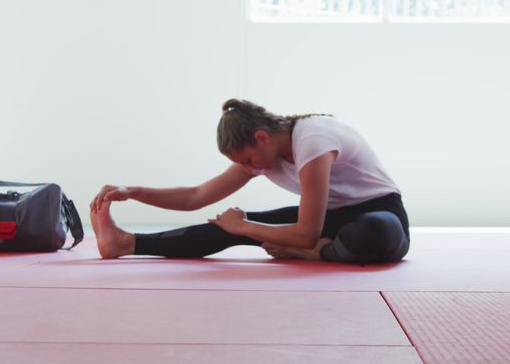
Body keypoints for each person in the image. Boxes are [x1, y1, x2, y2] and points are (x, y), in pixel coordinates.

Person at [88, 98, 410, 263]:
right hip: (333, 220)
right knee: (225, 227)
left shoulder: (313, 140)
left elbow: (307, 233)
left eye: (246, 160)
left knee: (376, 231)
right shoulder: (264, 155)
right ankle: (126, 243)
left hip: (381, 214)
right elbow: (196, 197)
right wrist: (132, 191)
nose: (247, 168)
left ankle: (317, 255)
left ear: (261, 138)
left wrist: (243, 226)